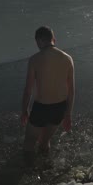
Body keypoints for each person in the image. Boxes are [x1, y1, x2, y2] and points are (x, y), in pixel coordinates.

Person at [20, 26, 75, 164]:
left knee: (29, 143)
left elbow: (28, 89)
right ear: (53, 40)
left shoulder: (35, 59)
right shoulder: (68, 59)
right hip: (60, 108)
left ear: (38, 41)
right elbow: (71, 90)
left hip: (41, 108)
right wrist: (68, 114)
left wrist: (24, 111)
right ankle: (45, 167)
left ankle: (28, 173)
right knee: (44, 141)